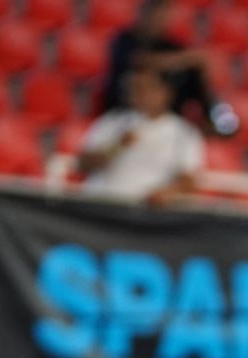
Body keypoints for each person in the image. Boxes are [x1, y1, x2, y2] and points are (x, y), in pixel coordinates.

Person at [99, 0, 234, 135]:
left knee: (196, 76)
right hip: (125, 111)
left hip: (169, 116)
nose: (160, 19)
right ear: (144, 13)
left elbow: (194, 67)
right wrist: (186, 59)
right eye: (156, 13)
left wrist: (199, 67)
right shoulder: (124, 39)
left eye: (165, 15)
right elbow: (139, 61)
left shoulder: (171, 45)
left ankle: (217, 119)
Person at [78, 68, 205, 206]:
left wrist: (167, 193)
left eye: (145, 89)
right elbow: (82, 165)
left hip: (145, 212)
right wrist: (117, 146)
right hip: (101, 204)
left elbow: (188, 182)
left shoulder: (184, 132)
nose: (138, 95)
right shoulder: (111, 121)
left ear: (166, 93)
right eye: (133, 89)